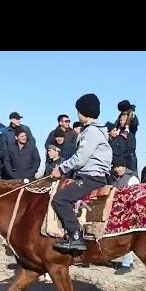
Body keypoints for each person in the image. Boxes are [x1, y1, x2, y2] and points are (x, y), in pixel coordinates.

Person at [50, 93, 112, 252]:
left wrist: (61, 168)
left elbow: (80, 158)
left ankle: (76, 236)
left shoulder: (91, 132)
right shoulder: (98, 130)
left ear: (83, 112)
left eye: (78, 111)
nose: (77, 114)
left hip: (92, 177)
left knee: (60, 199)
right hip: (93, 175)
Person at [109, 157, 140, 274]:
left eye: (119, 167)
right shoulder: (112, 178)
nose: (117, 169)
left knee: (127, 238)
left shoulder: (132, 179)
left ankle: (127, 264)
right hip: (115, 211)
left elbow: (137, 197)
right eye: (115, 167)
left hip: (128, 212)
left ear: (124, 167)